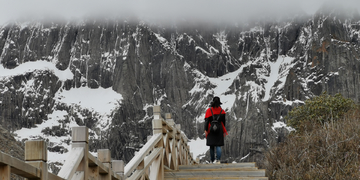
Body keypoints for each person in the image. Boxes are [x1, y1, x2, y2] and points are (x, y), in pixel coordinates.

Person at [204, 96, 227, 164]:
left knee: (211, 145)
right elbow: (223, 122)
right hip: (219, 129)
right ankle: (218, 160)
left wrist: (205, 130)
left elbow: (207, 121)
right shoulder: (222, 111)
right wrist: (223, 130)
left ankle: (212, 160)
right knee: (218, 145)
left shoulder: (209, 110)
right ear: (219, 103)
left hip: (211, 129)